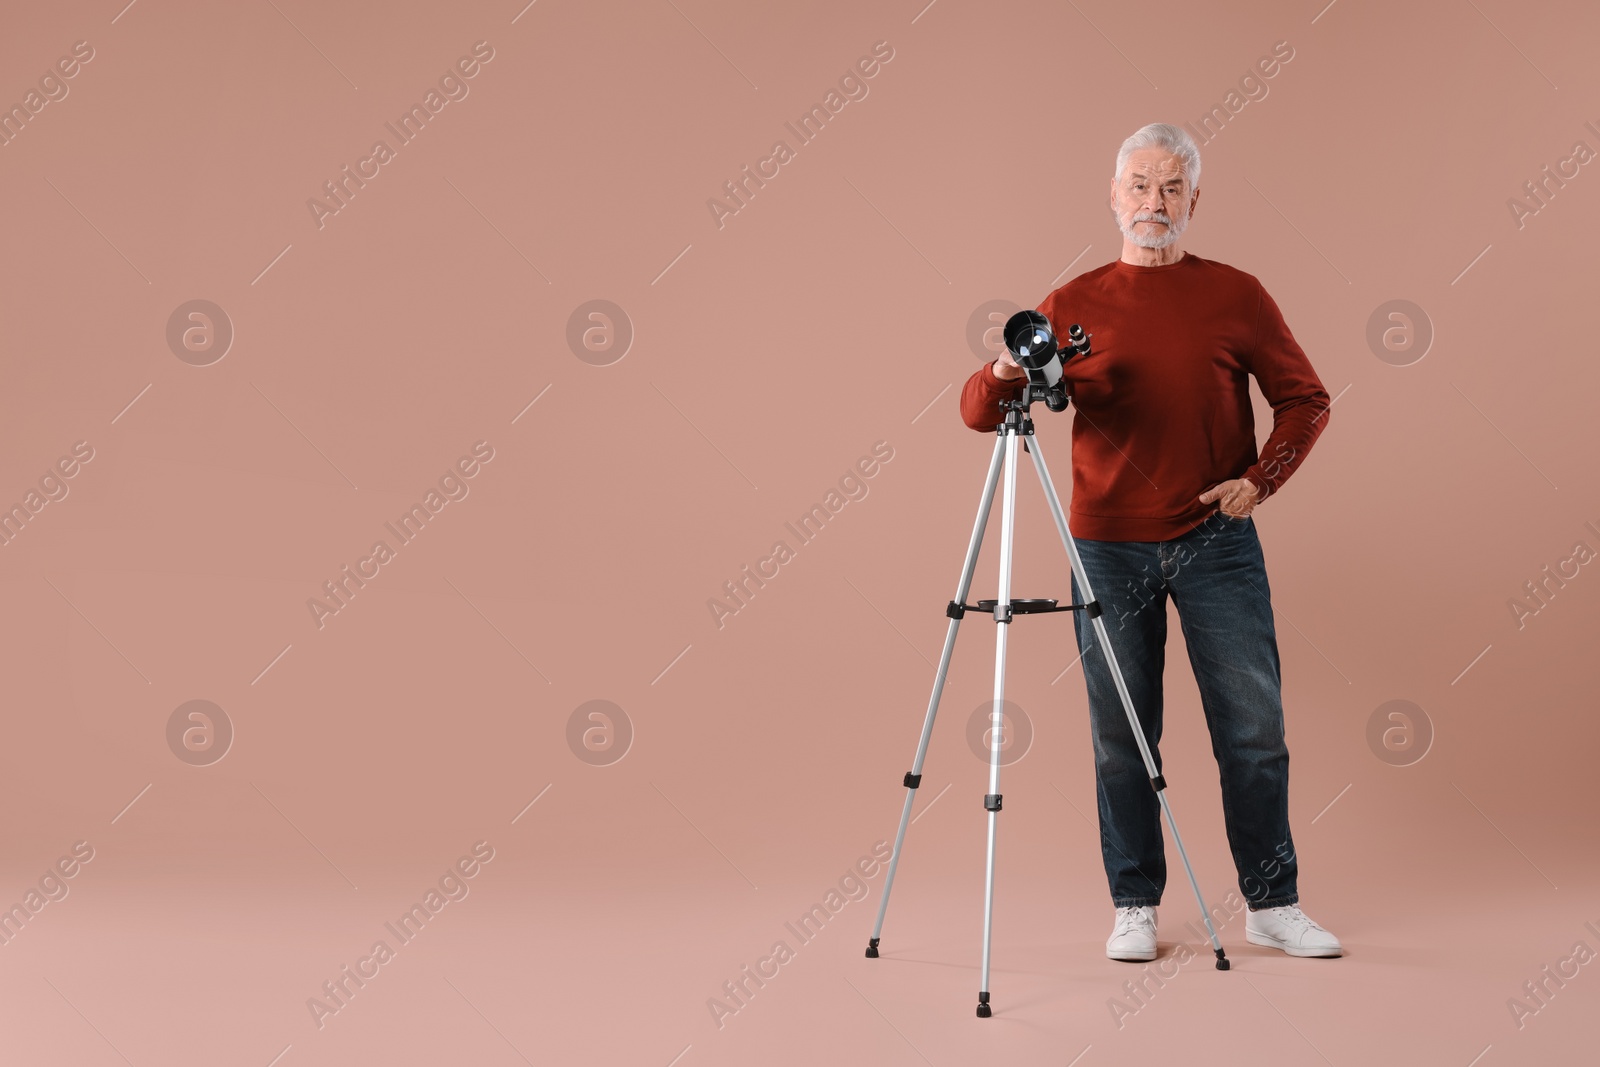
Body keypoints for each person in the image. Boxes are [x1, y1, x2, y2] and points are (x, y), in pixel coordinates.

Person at [959, 123, 1342, 962]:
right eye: (1139, 186)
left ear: (1194, 201)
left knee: (1253, 729)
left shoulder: (1237, 294)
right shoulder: (1070, 303)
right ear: (1113, 196)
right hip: (1106, 547)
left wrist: (1262, 479)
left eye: (1170, 188)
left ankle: (1272, 902)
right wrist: (1000, 372)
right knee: (1121, 734)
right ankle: (1134, 901)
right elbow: (979, 412)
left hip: (1218, 539)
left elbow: (1307, 399)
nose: (1153, 204)